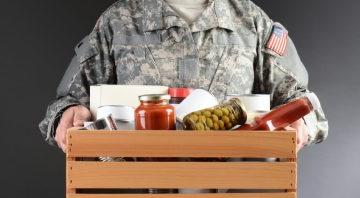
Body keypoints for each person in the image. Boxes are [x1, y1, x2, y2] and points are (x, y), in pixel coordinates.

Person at [39, 0, 328, 151]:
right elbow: (67, 103)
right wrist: (69, 114)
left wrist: (301, 123)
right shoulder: (119, 21)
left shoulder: (251, 22)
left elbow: (301, 102)